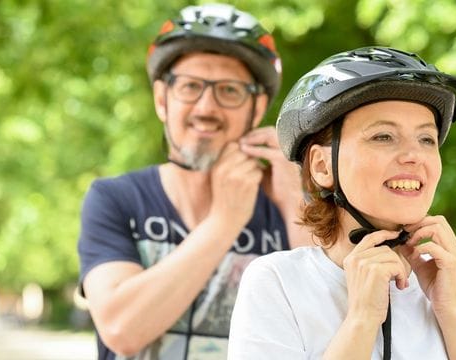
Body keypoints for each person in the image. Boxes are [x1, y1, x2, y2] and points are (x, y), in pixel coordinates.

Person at [228, 46, 456, 359]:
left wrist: (451, 311)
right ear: (322, 166)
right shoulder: (278, 282)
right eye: (383, 136)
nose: (414, 156)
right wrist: (361, 319)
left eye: (426, 139)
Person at [77, 3, 310, 359]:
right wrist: (224, 221)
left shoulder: (285, 201)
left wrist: (297, 200)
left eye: (229, 91)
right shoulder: (115, 198)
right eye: (189, 87)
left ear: (258, 107)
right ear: (161, 99)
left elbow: (325, 324)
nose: (206, 108)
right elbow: (121, 331)